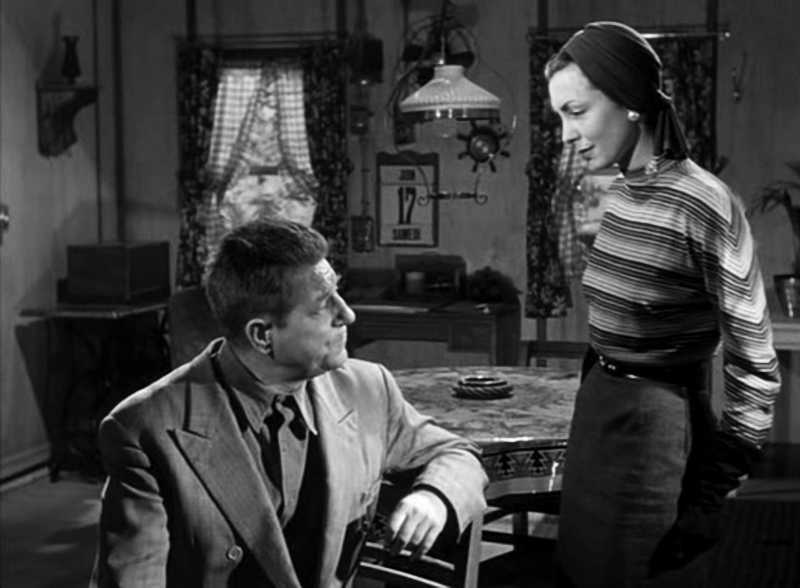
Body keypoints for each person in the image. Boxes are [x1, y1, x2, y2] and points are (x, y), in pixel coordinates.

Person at [90, 218, 487, 587]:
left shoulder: (367, 388)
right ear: (263, 335)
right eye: (323, 305)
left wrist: (434, 498)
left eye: (339, 293)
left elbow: (459, 455)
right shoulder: (145, 427)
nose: (347, 314)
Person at [544, 21, 782, 587]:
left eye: (576, 112)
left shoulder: (703, 202)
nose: (565, 135)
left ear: (629, 100)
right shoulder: (624, 191)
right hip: (599, 418)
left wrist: (710, 494)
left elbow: (756, 364)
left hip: (655, 434)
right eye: (558, 117)